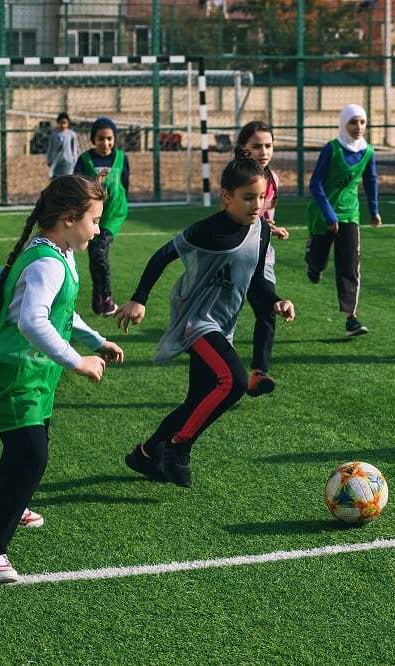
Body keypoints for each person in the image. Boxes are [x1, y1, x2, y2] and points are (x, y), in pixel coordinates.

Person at [0, 175, 124, 583]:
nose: (99, 229)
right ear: (70, 219)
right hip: (12, 369)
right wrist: (78, 361)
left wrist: (97, 339)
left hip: (32, 369)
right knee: (31, 455)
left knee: (30, 448)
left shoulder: (59, 252)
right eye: (94, 220)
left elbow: (61, 312)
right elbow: (32, 320)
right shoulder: (46, 262)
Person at [116, 155, 295, 488]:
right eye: (248, 197)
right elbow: (162, 255)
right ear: (226, 197)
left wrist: (275, 301)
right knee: (235, 382)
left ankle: (146, 453)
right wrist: (139, 298)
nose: (257, 205)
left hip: (222, 326)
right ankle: (178, 447)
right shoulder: (207, 230)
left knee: (197, 401)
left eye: (261, 197)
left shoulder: (261, 231)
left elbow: (257, 281)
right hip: (195, 320)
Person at [305, 103, 381, 337]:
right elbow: (315, 183)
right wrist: (329, 214)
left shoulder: (368, 151)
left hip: (350, 214)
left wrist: (374, 210)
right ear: (343, 124)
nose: (358, 127)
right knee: (319, 259)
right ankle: (313, 262)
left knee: (349, 264)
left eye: (362, 122)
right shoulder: (332, 149)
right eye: (353, 122)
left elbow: (371, 181)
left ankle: (351, 317)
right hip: (323, 213)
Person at [235, 121, 288, 396]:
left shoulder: (274, 180)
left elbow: (266, 217)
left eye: (268, 145)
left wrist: (271, 227)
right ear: (243, 148)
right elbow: (235, 219)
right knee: (224, 318)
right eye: (256, 146)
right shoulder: (234, 178)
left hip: (262, 257)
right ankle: (221, 376)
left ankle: (258, 373)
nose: (263, 151)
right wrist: (264, 226)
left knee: (267, 311)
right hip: (233, 257)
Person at [74, 117, 130, 317]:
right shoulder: (85, 160)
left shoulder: (122, 158)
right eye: (101, 139)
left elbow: (125, 184)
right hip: (92, 214)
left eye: (109, 139)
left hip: (113, 215)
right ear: (93, 139)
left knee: (99, 252)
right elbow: (78, 185)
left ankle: (106, 298)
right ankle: (98, 301)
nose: (105, 143)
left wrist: (118, 202)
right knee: (94, 256)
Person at [46, 112, 78, 180]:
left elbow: (74, 149)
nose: (63, 125)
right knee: (56, 179)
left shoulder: (72, 135)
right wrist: (49, 160)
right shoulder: (54, 134)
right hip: (56, 160)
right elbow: (50, 148)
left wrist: (75, 160)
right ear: (58, 123)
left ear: (68, 123)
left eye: (65, 123)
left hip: (68, 160)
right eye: (61, 123)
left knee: (68, 179)